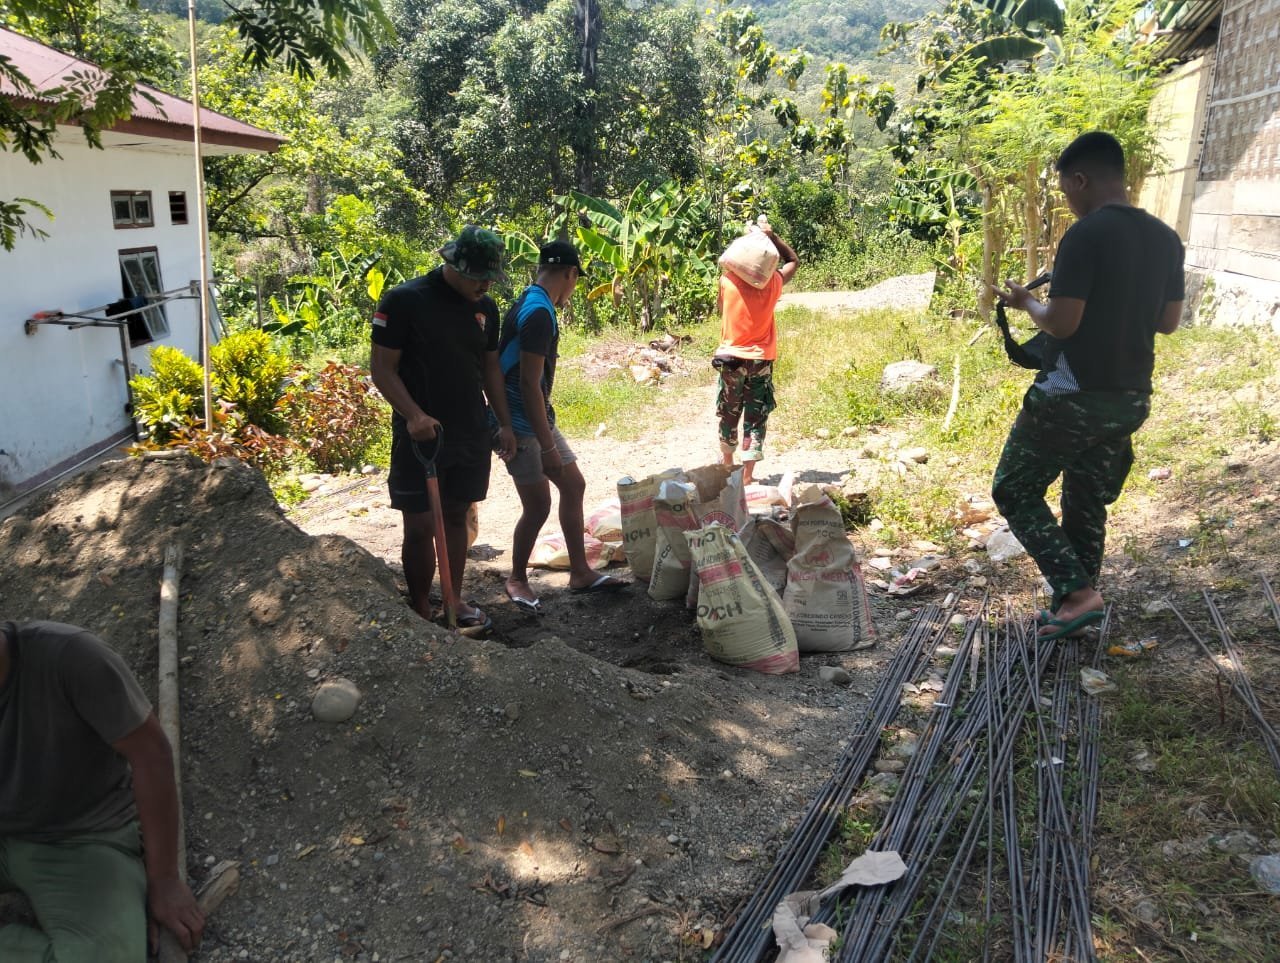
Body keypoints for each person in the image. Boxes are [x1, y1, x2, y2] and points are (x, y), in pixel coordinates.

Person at [991, 131, 1184, 641]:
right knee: (1085, 497)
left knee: (1013, 488)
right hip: (1130, 396)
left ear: (1080, 179)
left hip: (1071, 396)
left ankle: (1077, 593)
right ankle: (1075, 606)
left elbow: (1061, 323)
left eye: (1066, 189)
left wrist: (1026, 303)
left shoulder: (1085, 234)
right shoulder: (1166, 238)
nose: (1068, 200)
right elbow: (1168, 322)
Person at [0, 619, 204, 961]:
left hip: (81, 838)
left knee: (109, 956)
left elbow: (150, 755)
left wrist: (164, 879)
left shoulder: (71, 657)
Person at [371, 226, 517, 632]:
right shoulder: (405, 301)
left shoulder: (486, 308)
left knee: (456, 517)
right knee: (419, 525)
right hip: (421, 437)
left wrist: (504, 422)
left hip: (470, 430)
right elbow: (382, 368)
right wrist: (413, 415)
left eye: (490, 277)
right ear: (453, 265)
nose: (485, 285)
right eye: (478, 277)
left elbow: (490, 368)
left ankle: (453, 599)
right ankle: (421, 608)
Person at [498, 240, 628, 611]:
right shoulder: (539, 312)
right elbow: (527, 383)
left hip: (536, 415)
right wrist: (548, 446)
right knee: (538, 505)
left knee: (573, 485)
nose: (572, 288)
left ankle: (581, 572)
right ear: (570, 274)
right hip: (522, 423)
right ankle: (517, 579)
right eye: (575, 280)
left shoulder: (531, 300)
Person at [714, 225, 799, 484]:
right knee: (755, 416)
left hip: (731, 359)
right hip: (761, 360)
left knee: (729, 412)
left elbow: (720, 309)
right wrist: (773, 237)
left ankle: (728, 466)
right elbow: (793, 261)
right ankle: (747, 475)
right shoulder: (774, 283)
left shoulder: (727, 281)